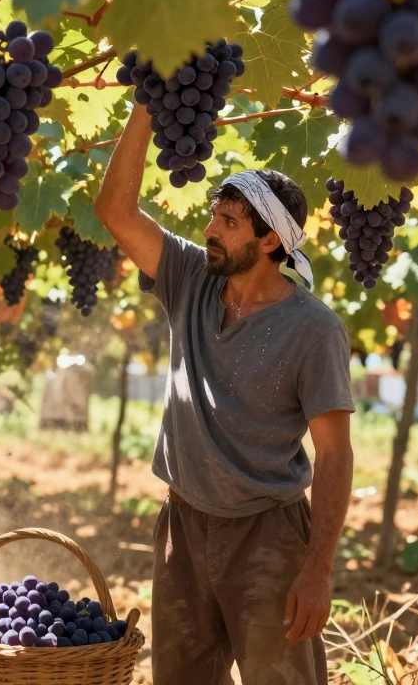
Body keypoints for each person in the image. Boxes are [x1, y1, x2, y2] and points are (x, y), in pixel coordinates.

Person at [93, 106, 355, 684]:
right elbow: (114, 211)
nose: (209, 229)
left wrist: (318, 570)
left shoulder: (314, 330)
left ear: (269, 241)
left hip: (268, 539)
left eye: (229, 222)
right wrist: (147, 103)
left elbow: (335, 455)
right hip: (181, 530)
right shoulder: (191, 278)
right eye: (214, 215)